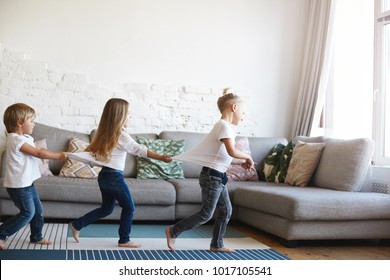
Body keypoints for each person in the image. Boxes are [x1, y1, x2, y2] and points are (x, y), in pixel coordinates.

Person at [69, 98, 172, 248]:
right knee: (129, 207)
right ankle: (124, 239)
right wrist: (161, 157)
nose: (130, 116)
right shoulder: (121, 135)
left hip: (104, 176)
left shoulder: (104, 134)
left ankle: (77, 224)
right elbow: (139, 149)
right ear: (120, 116)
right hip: (114, 177)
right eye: (128, 113)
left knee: (107, 208)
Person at [166, 90, 255, 253]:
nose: (243, 116)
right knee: (206, 214)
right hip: (212, 177)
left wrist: (241, 162)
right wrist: (247, 157)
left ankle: (217, 244)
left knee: (226, 210)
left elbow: (225, 156)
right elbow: (232, 151)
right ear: (234, 107)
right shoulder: (224, 126)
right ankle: (173, 231)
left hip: (218, 177)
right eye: (243, 111)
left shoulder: (225, 127)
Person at [0, 103, 68, 250]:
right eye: (31, 121)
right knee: (27, 213)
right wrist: (59, 156)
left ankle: (36, 237)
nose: (34, 124)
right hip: (18, 186)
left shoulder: (24, 137)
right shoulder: (16, 139)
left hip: (27, 183)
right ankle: (1, 233)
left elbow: (40, 149)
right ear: (19, 122)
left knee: (38, 210)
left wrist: (57, 153)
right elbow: (38, 153)